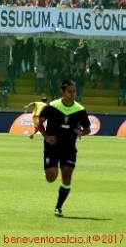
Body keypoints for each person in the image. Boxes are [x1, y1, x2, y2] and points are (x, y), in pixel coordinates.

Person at [37, 79, 91, 217]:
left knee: (67, 176)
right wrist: (46, 136)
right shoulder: (53, 106)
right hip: (52, 146)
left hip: (69, 147)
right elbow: (39, 122)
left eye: (74, 91)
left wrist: (81, 133)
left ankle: (59, 207)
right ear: (62, 91)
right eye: (69, 91)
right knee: (51, 178)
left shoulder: (79, 109)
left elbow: (87, 129)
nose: (72, 94)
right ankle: (49, 171)